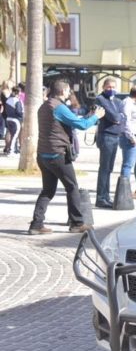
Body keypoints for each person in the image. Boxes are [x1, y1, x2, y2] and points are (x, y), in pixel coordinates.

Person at [29, 80, 105, 235]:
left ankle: (36, 224)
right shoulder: (59, 107)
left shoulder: (44, 106)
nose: (69, 92)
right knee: (72, 188)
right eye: (68, 90)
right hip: (57, 154)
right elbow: (82, 125)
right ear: (63, 91)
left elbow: (72, 121)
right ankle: (77, 223)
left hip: (43, 154)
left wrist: (89, 115)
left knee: (48, 191)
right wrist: (96, 116)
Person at [95, 78, 123, 208]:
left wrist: (118, 118)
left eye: (113, 87)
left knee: (109, 169)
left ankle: (106, 196)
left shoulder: (117, 101)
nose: (111, 89)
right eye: (108, 87)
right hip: (106, 136)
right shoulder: (100, 99)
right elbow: (114, 117)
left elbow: (123, 116)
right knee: (104, 168)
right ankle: (101, 198)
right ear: (103, 87)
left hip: (115, 136)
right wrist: (118, 117)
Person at [119, 86, 136, 190]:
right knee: (127, 165)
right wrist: (131, 137)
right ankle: (124, 190)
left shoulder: (132, 104)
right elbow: (126, 121)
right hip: (129, 137)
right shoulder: (127, 103)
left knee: (129, 164)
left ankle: (126, 189)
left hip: (135, 136)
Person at [4, 86, 24, 155]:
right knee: (15, 136)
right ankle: (11, 151)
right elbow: (19, 111)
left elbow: (6, 110)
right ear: (18, 92)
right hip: (15, 120)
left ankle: (12, 149)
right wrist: (22, 115)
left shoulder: (8, 100)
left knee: (12, 135)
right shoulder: (17, 101)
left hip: (8, 119)